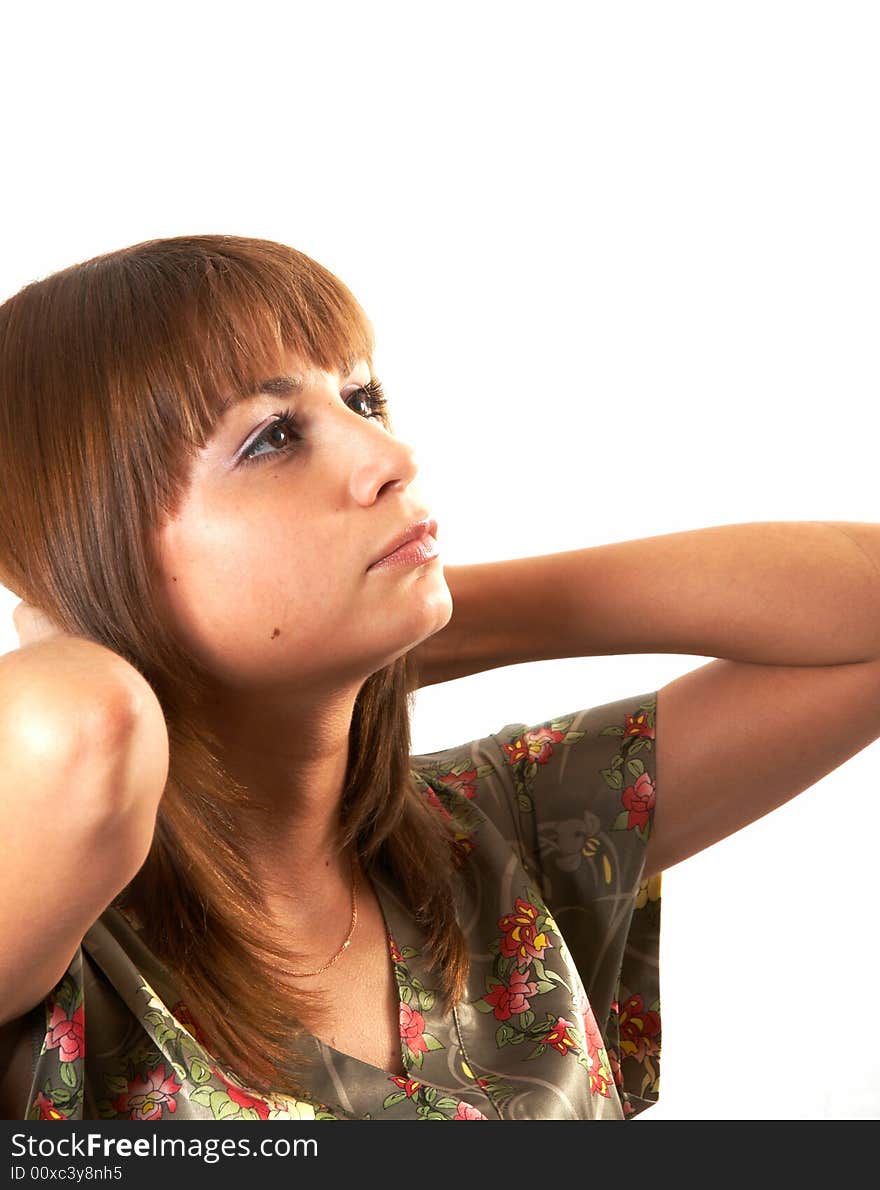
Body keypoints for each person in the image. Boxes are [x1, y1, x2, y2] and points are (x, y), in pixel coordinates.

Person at [1, 235, 878, 1122]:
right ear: (95, 551)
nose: (391, 456)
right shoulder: (56, 945)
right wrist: (123, 639)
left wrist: (417, 622)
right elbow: (84, 728)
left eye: (361, 398)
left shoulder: (489, 833)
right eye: (272, 437)